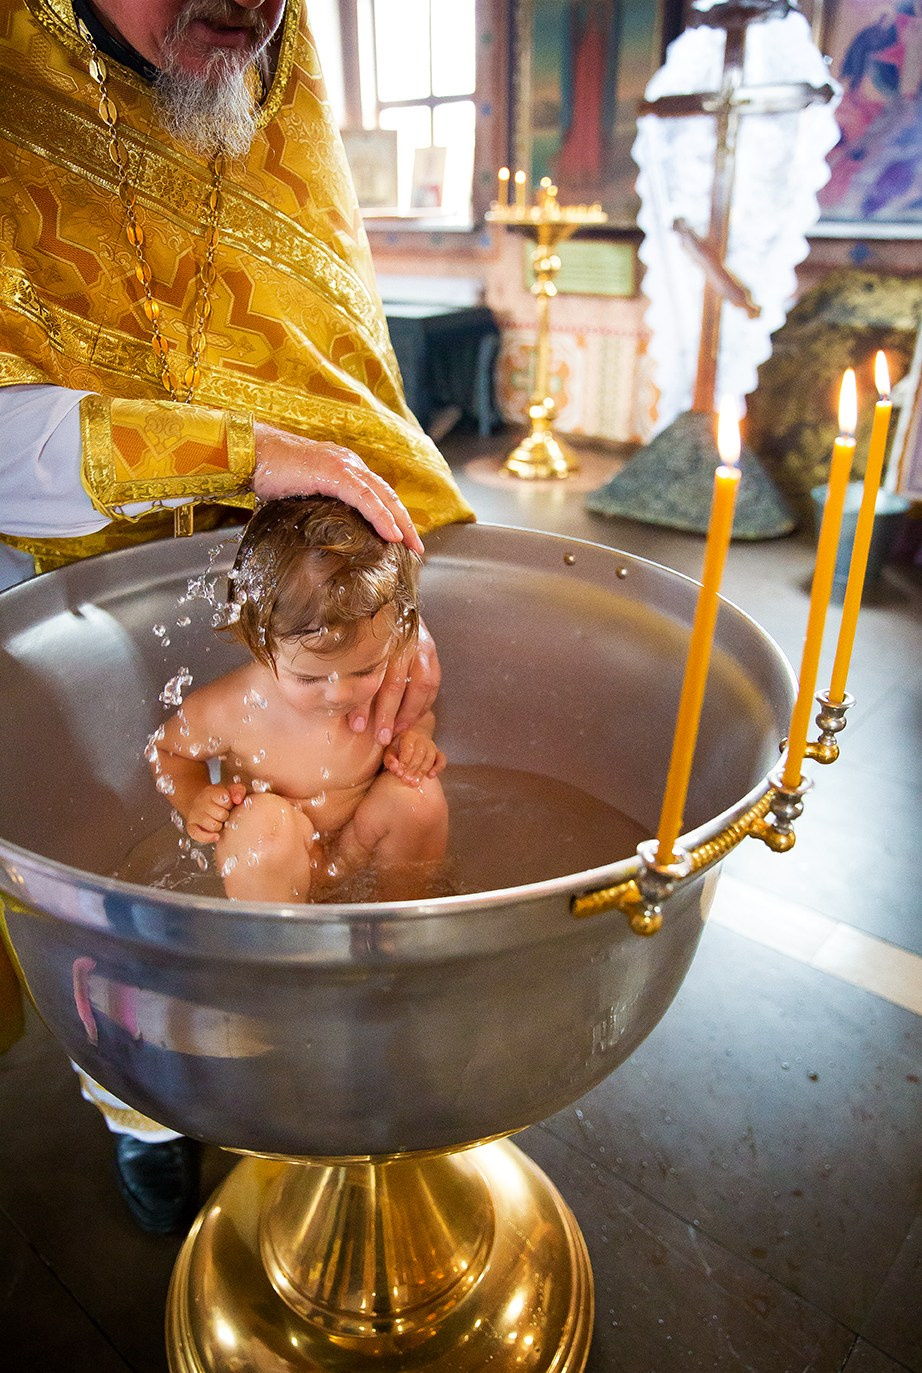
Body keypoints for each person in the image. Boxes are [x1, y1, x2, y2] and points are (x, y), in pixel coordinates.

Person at [0, 0, 473, 1231]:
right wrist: (217, 446)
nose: (250, 13)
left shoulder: (276, 46)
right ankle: (142, 1112)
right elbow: (175, 753)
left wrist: (389, 605)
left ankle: (367, 1009)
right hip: (58, 582)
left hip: (312, 576)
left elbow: (342, 360)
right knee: (106, 905)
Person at [150, 496, 448, 904]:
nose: (340, 693)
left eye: (364, 671)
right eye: (309, 677)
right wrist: (195, 801)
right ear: (261, 645)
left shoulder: (392, 672)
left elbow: (417, 716)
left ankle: (400, 920)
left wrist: (415, 741)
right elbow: (168, 751)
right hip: (282, 859)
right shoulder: (235, 706)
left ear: (397, 637)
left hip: (357, 846)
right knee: (260, 826)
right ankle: (278, 949)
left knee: (418, 796)